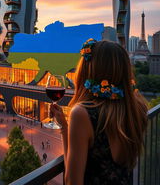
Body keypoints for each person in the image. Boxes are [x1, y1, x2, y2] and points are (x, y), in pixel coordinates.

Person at [51, 40, 148, 185]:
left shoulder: (83, 113)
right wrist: (65, 127)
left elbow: (72, 181)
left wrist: (66, 128)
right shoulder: (136, 109)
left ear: (88, 71)